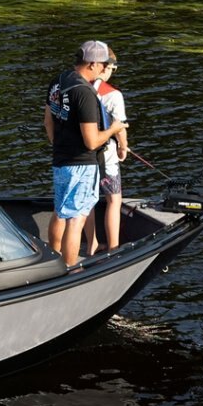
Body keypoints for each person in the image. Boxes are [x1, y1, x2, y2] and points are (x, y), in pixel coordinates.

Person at [44, 40, 128, 267]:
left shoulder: (59, 81)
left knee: (60, 211)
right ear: (92, 64)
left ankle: (53, 261)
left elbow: (48, 120)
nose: (106, 69)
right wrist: (113, 129)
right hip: (82, 164)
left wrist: (59, 145)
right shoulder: (85, 93)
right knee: (75, 220)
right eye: (104, 64)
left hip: (61, 160)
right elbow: (91, 142)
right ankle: (70, 270)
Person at [84, 52, 129, 255]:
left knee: (88, 201)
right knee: (114, 199)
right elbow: (120, 127)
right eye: (113, 68)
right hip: (106, 155)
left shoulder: (79, 88)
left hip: (83, 153)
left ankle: (91, 244)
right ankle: (113, 248)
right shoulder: (114, 95)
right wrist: (123, 146)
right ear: (106, 67)